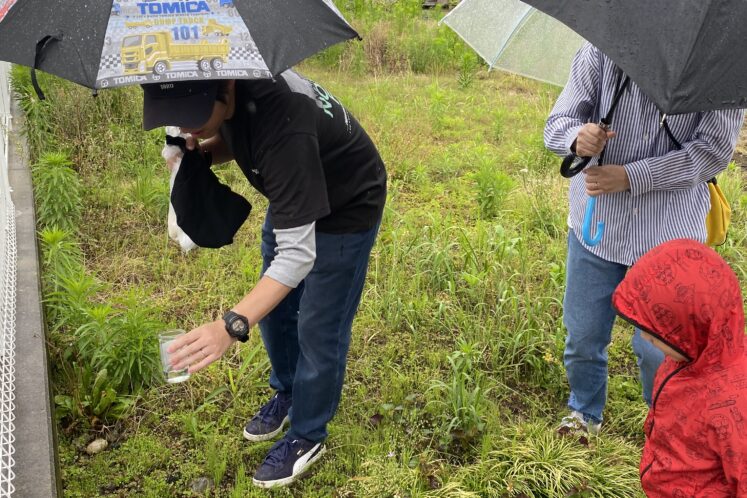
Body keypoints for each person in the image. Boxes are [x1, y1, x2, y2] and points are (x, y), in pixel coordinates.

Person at [142, 71, 387, 488]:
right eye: (178, 118)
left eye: (195, 116)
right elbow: (235, 138)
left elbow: (297, 256)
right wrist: (195, 154)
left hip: (347, 205)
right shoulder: (236, 90)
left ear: (229, 87)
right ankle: (290, 390)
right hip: (294, 192)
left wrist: (230, 326)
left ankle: (308, 433)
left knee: (318, 326)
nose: (187, 126)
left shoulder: (283, 123)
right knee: (275, 311)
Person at [544, 42, 744, 435]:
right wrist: (577, 137)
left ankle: (665, 427)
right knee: (583, 335)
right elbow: (557, 124)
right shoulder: (600, 52)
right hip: (596, 229)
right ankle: (584, 413)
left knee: (659, 349)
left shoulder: (720, 68)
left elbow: (712, 152)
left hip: (668, 238)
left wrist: (634, 177)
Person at [612, 238, 747, 496]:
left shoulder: (735, 406)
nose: (645, 338)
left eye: (656, 335)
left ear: (696, 329)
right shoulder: (689, 358)